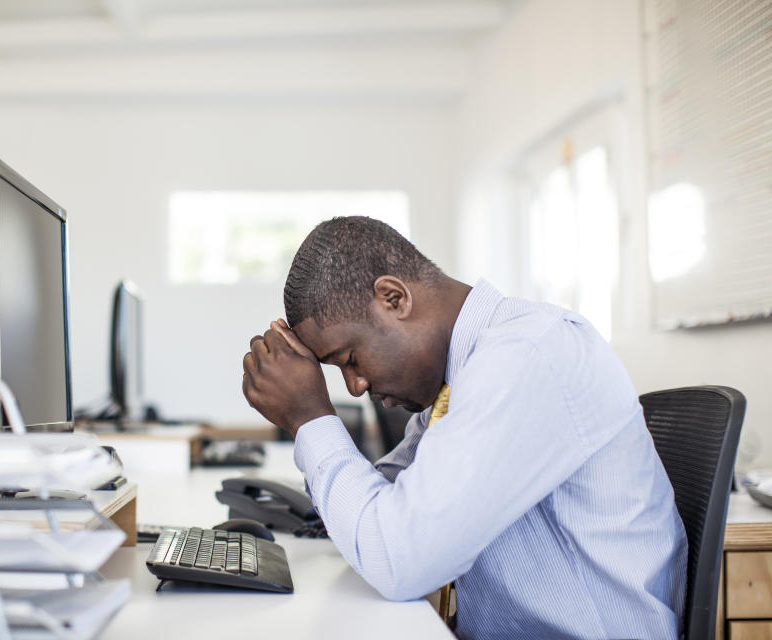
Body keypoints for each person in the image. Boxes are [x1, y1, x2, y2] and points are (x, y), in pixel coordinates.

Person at [241, 216, 687, 639]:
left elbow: (398, 557)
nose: (355, 387)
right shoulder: (464, 376)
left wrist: (310, 419)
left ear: (394, 298)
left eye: (350, 359)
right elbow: (388, 503)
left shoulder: (524, 356)